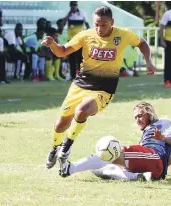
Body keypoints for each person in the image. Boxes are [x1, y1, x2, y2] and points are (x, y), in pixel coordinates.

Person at [41, 5, 156, 171]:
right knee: (60, 124)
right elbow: (62, 51)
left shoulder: (122, 35)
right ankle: (54, 148)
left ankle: (66, 146)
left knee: (82, 110)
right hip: (81, 84)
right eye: (96, 24)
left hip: (104, 88)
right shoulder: (86, 35)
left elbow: (142, 43)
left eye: (103, 24)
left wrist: (148, 61)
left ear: (112, 22)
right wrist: (52, 44)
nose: (99, 28)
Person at [58, 102, 171, 181]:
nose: (137, 120)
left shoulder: (163, 122)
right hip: (152, 164)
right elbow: (168, 159)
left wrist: (164, 139)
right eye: (135, 117)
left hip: (154, 156)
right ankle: (141, 177)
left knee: (111, 149)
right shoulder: (146, 133)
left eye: (140, 115)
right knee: (96, 168)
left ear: (149, 113)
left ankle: (69, 168)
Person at [59, 1, 90, 80]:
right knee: (72, 59)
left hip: (80, 40)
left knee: (80, 58)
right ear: (70, 6)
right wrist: (69, 14)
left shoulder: (82, 13)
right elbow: (62, 24)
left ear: (77, 5)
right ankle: (73, 76)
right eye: (72, 5)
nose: (73, 6)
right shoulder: (68, 15)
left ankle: (80, 76)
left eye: (75, 5)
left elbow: (87, 25)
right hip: (71, 40)